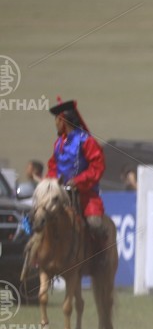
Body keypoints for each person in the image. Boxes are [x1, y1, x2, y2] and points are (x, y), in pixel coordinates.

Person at [47, 99, 107, 244]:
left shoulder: (86, 141)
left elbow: (97, 166)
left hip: (85, 195)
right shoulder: (58, 143)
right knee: (39, 218)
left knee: (94, 224)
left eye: (56, 120)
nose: (55, 124)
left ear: (62, 120)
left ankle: (100, 255)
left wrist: (78, 181)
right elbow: (53, 166)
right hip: (60, 194)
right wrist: (50, 182)